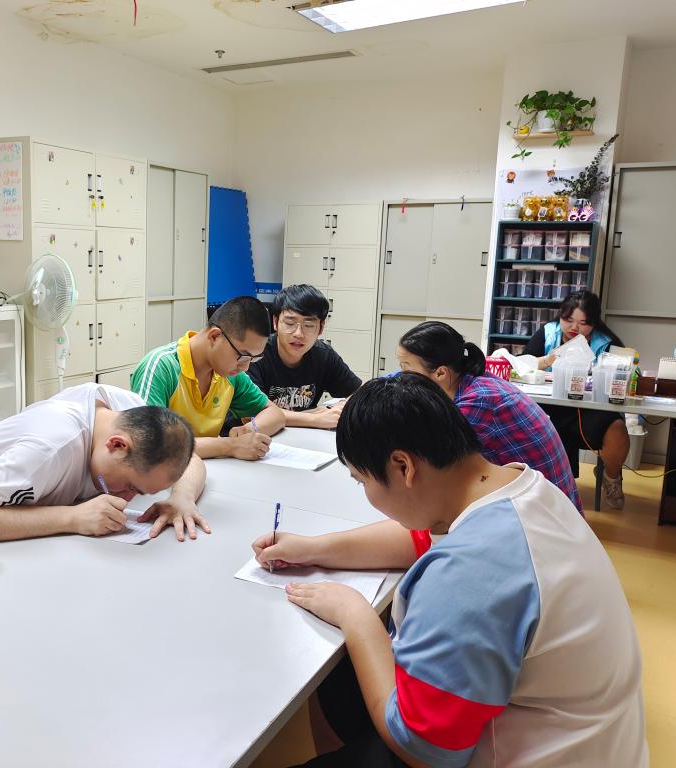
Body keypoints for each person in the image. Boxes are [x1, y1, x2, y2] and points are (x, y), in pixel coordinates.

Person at [253, 374, 647, 767]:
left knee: (352, 661)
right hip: (594, 741)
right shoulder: (518, 489)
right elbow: (419, 538)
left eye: (362, 481)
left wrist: (356, 616)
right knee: (340, 680)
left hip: (520, 754)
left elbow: (423, 750)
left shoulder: (472, 568)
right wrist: (314, 549)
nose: (366, 493)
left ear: (403, 467)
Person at [0, 383, 207, 542]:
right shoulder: (48, 447)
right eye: (131, 486)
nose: (127, 499)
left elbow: (187, 458)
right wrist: (71, 518)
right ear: (117, 445)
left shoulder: (131, 412)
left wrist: (182, 497)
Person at [397, 321, 581, 520]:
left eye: (406, 368)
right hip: (549, 503)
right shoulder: (474, 380)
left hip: (547, 516)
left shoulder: (477, 402)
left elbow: (431, 462)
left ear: (441, 372)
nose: (401, 377)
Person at [131, 296, 286, 460]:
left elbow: (275, 414)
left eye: (253, 359)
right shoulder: (161, 367)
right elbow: (149, 443)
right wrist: (231, 445)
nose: (245, 367)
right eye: (243, 356)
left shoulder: (230, 375)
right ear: (215, 336)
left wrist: (249, 429)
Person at [524, 290, 631, 509]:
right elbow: (520, 366)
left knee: (617, 430)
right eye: (568, 320)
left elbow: (623, 377)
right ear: (560, 316)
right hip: (550, 408)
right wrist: (546, 360)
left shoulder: (606, 343)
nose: (574, 327)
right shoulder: (548, 333)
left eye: (583, 323)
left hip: (591, 411)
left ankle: (611, 477)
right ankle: (548, 486)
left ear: (594, 323)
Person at [245, 284, 362, 430]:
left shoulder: (324, 355)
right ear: (275, 322)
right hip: (257, 436)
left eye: (309, 325)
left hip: (304, 436)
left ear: (321, 327)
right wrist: (314, 417)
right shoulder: (256, 354)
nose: (298, 333)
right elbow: (255, 412)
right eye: (290, 323)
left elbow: (360, 394)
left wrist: (341, 407)